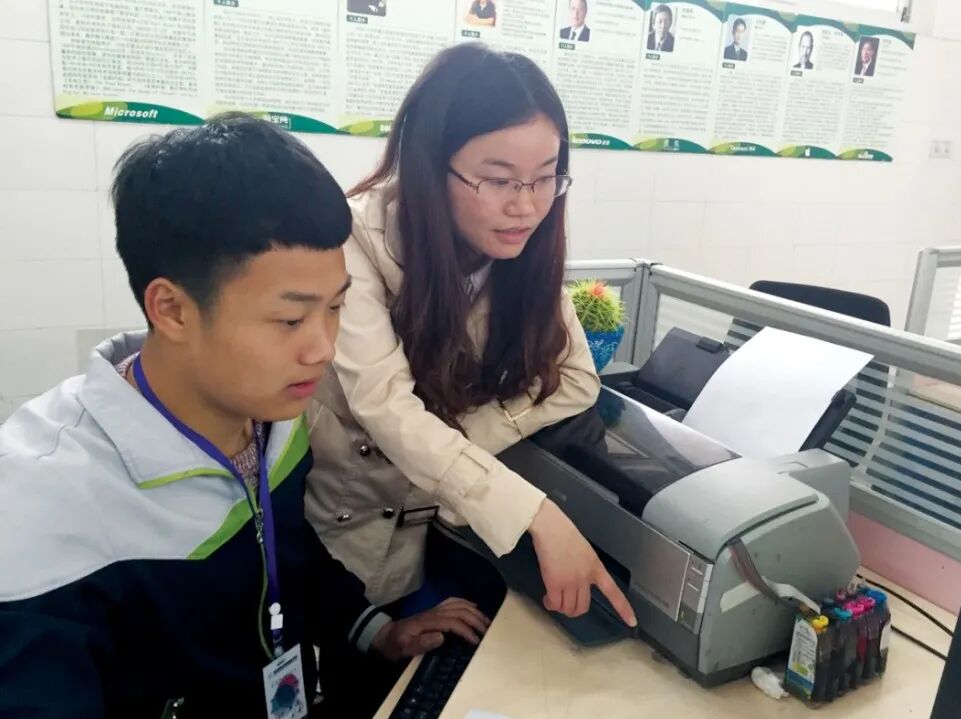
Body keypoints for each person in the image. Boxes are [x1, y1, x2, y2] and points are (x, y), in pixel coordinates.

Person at [0, 114, 488, 718]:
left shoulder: (273, 419)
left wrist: (375, 629)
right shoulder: (42, 509)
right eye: (290, 319)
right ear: (172, 310)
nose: (323, 348)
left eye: (335, 308)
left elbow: (286, 549)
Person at [306, 43, 637, 711]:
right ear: (432, 166)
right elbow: (386, 407)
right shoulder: (354, 239)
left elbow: (576, 379)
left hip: (443, 533)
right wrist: (533, 512)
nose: (527, 206)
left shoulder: (519, 248)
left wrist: (470, 436)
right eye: (499, 179)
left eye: (546, 177)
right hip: (346, 544)